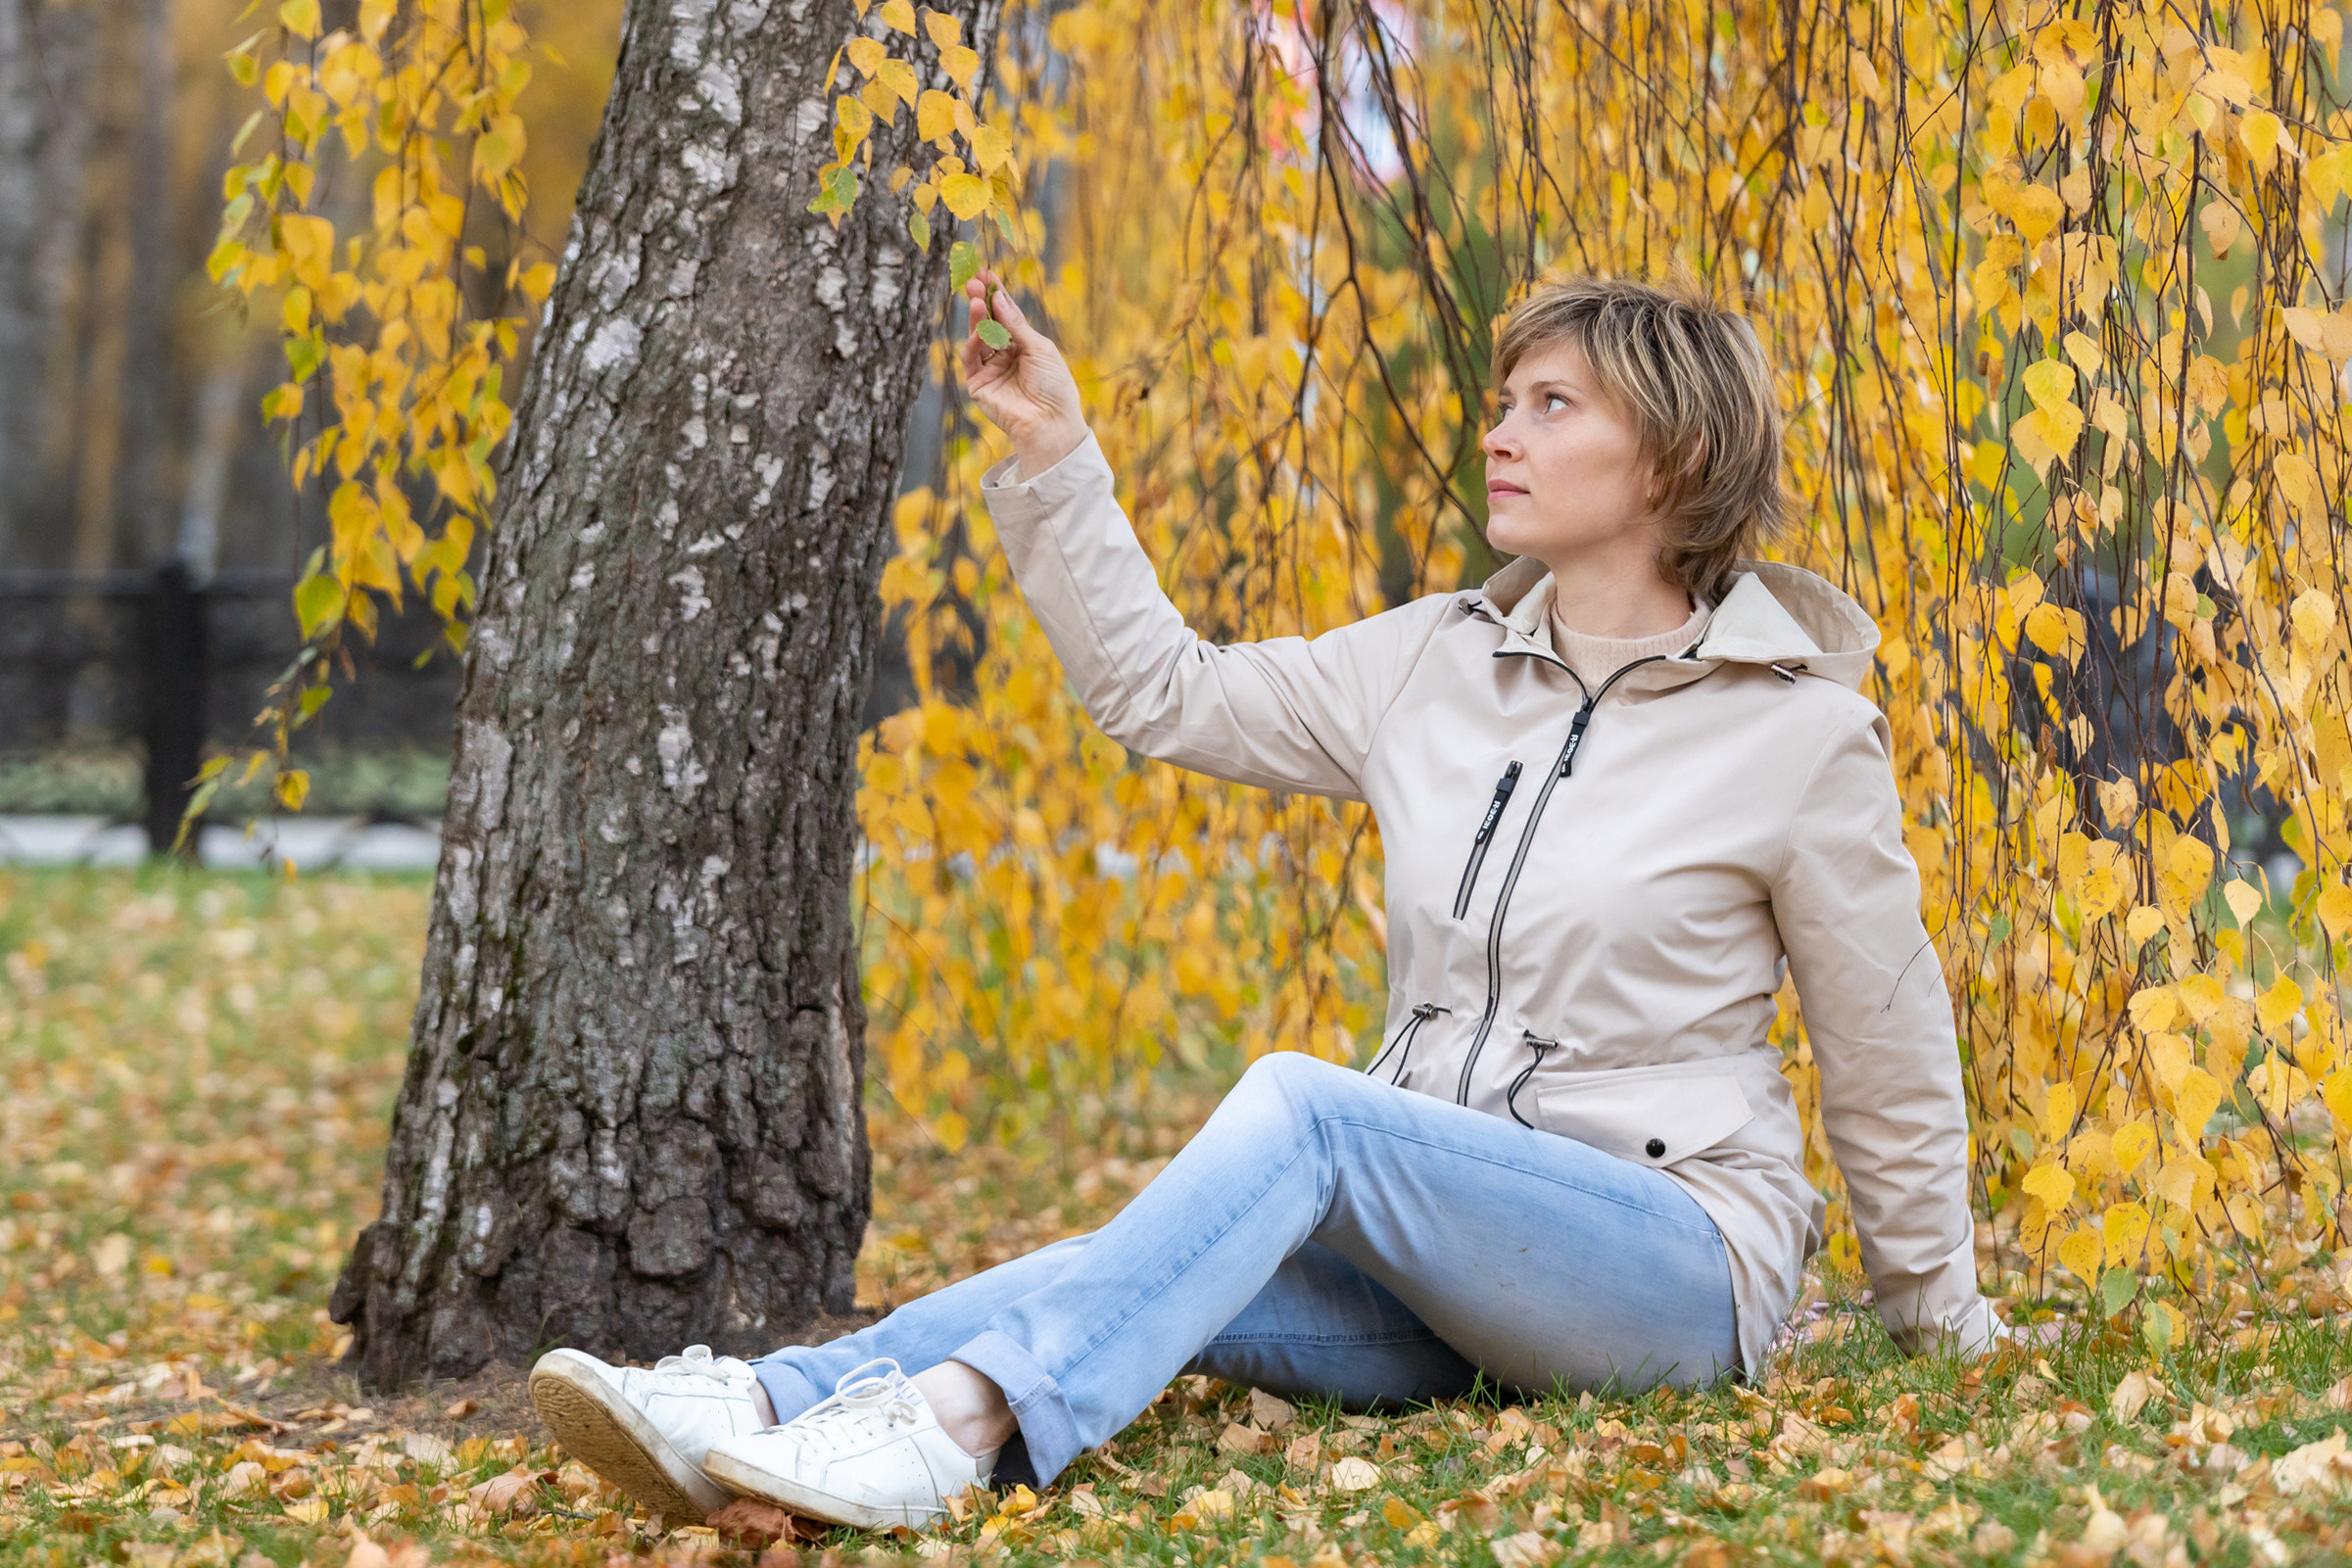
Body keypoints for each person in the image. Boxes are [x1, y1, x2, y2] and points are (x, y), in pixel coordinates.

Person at [527, 273, 2007, 1532]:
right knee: (1155, 1266)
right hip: (1448, 1258)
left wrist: (1935, 1315)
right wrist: (1058, 460)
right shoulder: (1435, 661)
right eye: (1506, 400)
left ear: (1674, 456)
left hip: (1670, 1263)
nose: (1499, 430)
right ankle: (764, 1402)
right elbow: (1167, 694)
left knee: (1307, 1112)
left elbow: (1881, 1032)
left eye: (1553, 406)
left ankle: (950, 1432)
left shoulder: (1796, 731)